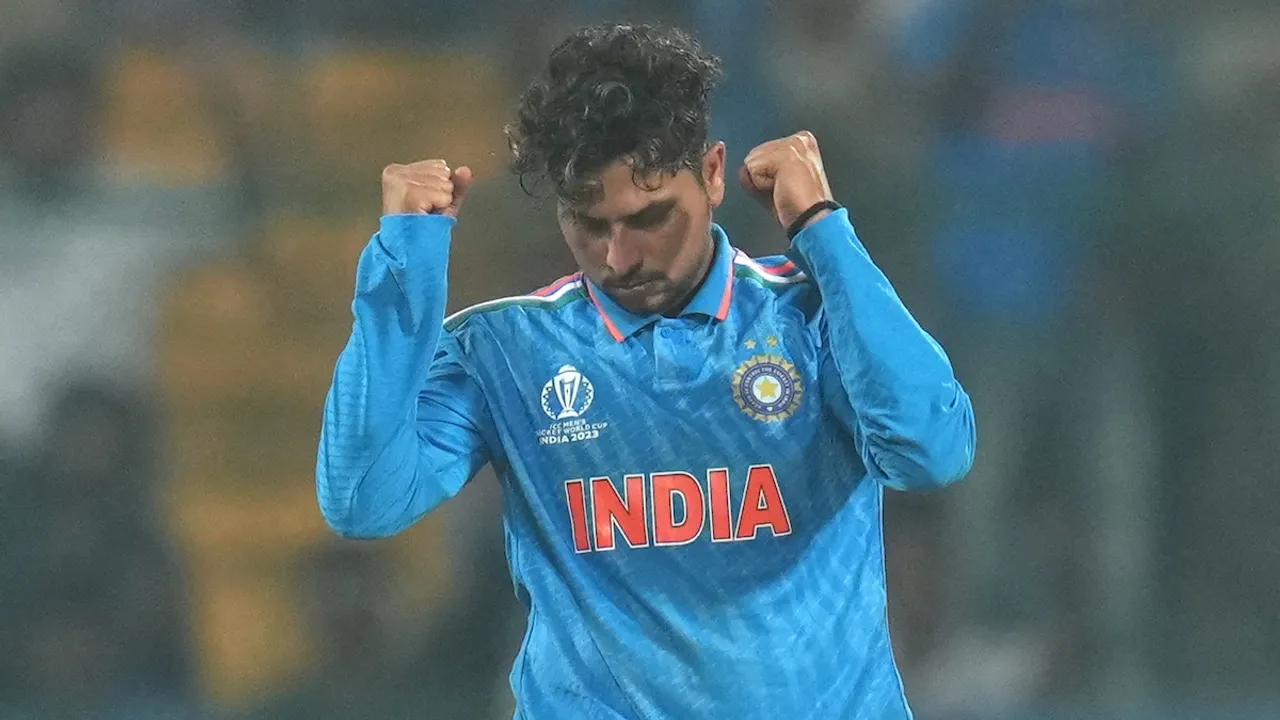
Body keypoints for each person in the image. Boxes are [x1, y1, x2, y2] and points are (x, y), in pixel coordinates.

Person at [316, 23, 975, 718]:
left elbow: (931, 452)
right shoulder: (507, 348)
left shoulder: (812, 317)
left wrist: (821, 225)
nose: (619, 258)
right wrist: (403, 264)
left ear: (713, 173)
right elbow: (364, 498)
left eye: (651, 216)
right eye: (590, 224)